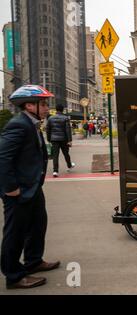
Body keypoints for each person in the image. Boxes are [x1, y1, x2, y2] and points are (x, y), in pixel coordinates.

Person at [0, 85, 61, 290]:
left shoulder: (32, 123)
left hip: (32, 186)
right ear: (29, 105)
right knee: (15, 233)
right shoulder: (18, 125)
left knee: (38, 224)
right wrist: (11, 188)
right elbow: (3, 157)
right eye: (43, 104)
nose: (46, 108)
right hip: (18, 190)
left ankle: (33, 261)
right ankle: (14, 276)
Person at [46, 104, 75, 177]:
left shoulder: (50, 118)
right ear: (62, 110)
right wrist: (70, 140)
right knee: (66, 153)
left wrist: (49, 139)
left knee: (55, 155)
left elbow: (48, 130)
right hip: (64, 139)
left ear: (56, 109)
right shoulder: (65, 118)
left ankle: (55, 171)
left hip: (54, 139)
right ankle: (69, 165)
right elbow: (68, 130)